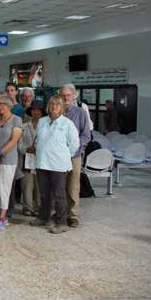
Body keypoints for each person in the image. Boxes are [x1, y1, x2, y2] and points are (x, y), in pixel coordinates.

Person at [30, 95, 79, 234]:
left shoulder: (67, 124)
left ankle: (61, 222)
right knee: (44, 193)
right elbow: (38, 139)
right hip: (42, 163)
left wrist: (62, 155)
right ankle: (43, 217)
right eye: (51, 104)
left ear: (62, 107)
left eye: (57, 104)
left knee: (59, 194)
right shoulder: (42, 121)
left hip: (59, 165)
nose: (54, 107)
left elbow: (74, 145)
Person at [0, 95, 23, 232]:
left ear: (9, 106)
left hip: (8, 160)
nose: (0, 106)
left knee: (4, 189)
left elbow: (14, 141)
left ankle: (2, 218)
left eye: (3, 104)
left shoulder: (16, 120)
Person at [59, 84, 91, 227]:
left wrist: (76, 148)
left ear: (73, 96)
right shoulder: (56, 110)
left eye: (68, 95)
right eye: (63, 95)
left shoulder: (80, 112)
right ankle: (61, 213)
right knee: (59, 185)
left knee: (73, 185)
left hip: (75, 155)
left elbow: (86, 135)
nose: (66, 98)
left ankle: (73, 215)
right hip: (58, 155)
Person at [17, 100, 44, 216]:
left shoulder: (46, 126)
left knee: (40, 185)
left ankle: (39, 207)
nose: (36, 112)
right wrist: (27, 149)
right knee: (27, 184)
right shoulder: (24, 126)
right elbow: (19, 144)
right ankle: (27, 208)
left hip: (42, 159)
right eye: (33, 110)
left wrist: (39, 149)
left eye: (38, 110)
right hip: (26, 159)